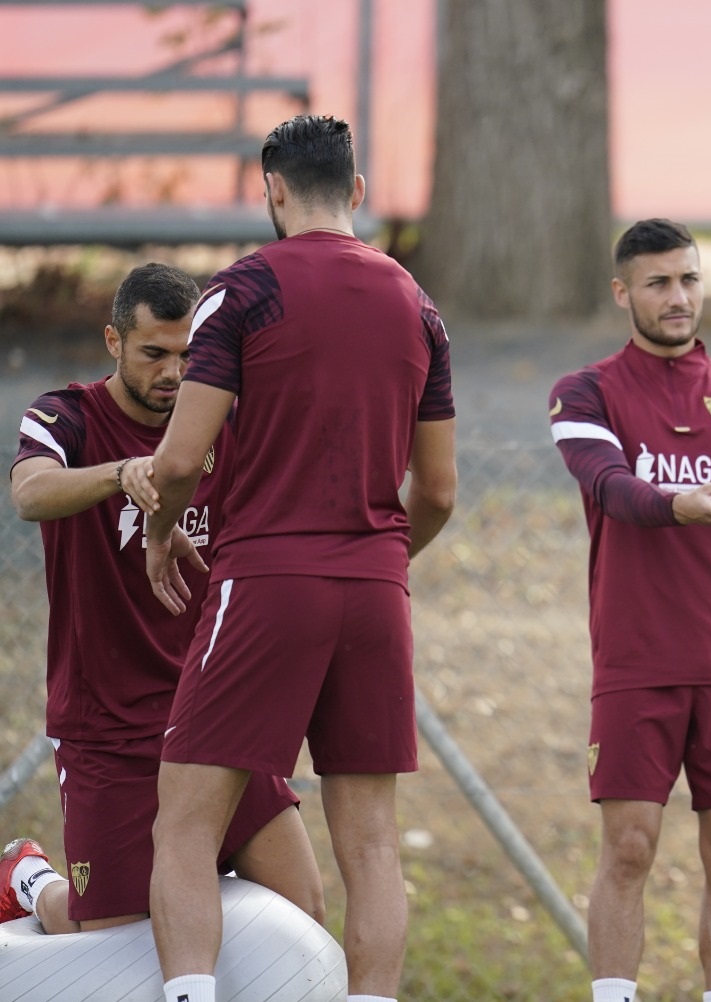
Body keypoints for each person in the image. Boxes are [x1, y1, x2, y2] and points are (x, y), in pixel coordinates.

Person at [142, 115, 457, 1002]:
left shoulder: (239, 291)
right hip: (375, 589)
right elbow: (436, 491)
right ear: (356, 192)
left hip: (266, 582)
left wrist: (162, 530)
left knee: (185, 829)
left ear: (271, 190)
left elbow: (175, 461)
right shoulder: (418, 305)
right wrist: (385, 562)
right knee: (372, 842)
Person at [0, 263, 323, 936]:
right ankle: (29, 879)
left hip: (212, 716)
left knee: (305, 910)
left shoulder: (222, 421)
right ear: (114, 343)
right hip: (107, 728)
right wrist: (127, 475)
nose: (173, 373)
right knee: (108, 929)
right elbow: (30, 493)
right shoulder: (67, 415)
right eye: (154, 354)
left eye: (187, 354)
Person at [550, 219, 711, 1002]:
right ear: (624, 293)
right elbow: (611, 488)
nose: (679, 297)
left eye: (689, 279)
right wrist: (677, 503)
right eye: (658, 283)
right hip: (635, 660)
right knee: (628, 847)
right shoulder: (584, 392)